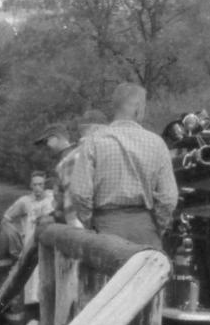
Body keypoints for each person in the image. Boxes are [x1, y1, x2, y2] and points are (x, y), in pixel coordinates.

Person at [66, 83, 179, 250]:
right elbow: (169, 198)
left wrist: (91, 223)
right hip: (145, 231)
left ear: (115, 106)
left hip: (104, 229)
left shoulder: (94, 141)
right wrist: (156, 226)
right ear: (138, 108)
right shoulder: (157, 143)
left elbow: (79, 193)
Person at [3, 171, 55, 325]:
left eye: (41, 184)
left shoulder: (51, 199)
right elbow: (6, 218)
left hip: (49, 250)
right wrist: (17, 237)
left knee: (47, 287)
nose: (38, 188)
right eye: (35, 185)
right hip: (30, 250)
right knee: (31, 289)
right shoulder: (25, 201)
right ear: (30, 186)